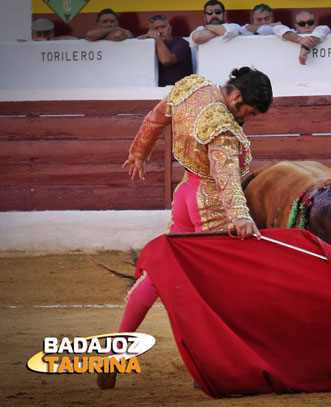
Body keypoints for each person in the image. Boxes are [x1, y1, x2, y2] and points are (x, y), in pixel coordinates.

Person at [97, 67, 273, 389]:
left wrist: (139, 152)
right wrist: (240, 215)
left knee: (158, 275)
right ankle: (209, 365)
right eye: (249, 110)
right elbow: (226, 177)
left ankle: (115, 350)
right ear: (236, 97)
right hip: (211, 206)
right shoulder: (222, 128)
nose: (248, 118)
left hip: (185, 196)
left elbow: (156, 116)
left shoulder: (193, 86)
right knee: (220, 287)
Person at [137, 15, 193, 87]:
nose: (160, 31)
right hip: (155, 93)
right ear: (150, 31)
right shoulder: (149, 45)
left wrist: (157, 38)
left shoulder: (181, 43)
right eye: (156, 28)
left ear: (170, 29)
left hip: (182, 92)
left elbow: (166, 60)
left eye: (163, 27)